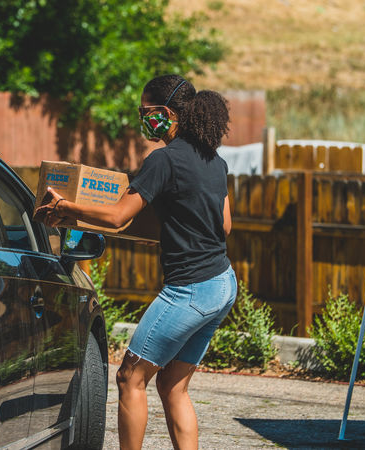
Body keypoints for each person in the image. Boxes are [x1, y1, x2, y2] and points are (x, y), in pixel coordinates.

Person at [36, 74, 237, 450]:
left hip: (191, 289)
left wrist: (65, 208)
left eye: (145, 112)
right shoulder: (214, 159)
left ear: (165, 113)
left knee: (131, 377)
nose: (143, 120)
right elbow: (223, 225)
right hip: (223, 284)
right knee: (172, 385)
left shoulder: (163, 160)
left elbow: (116, 217)